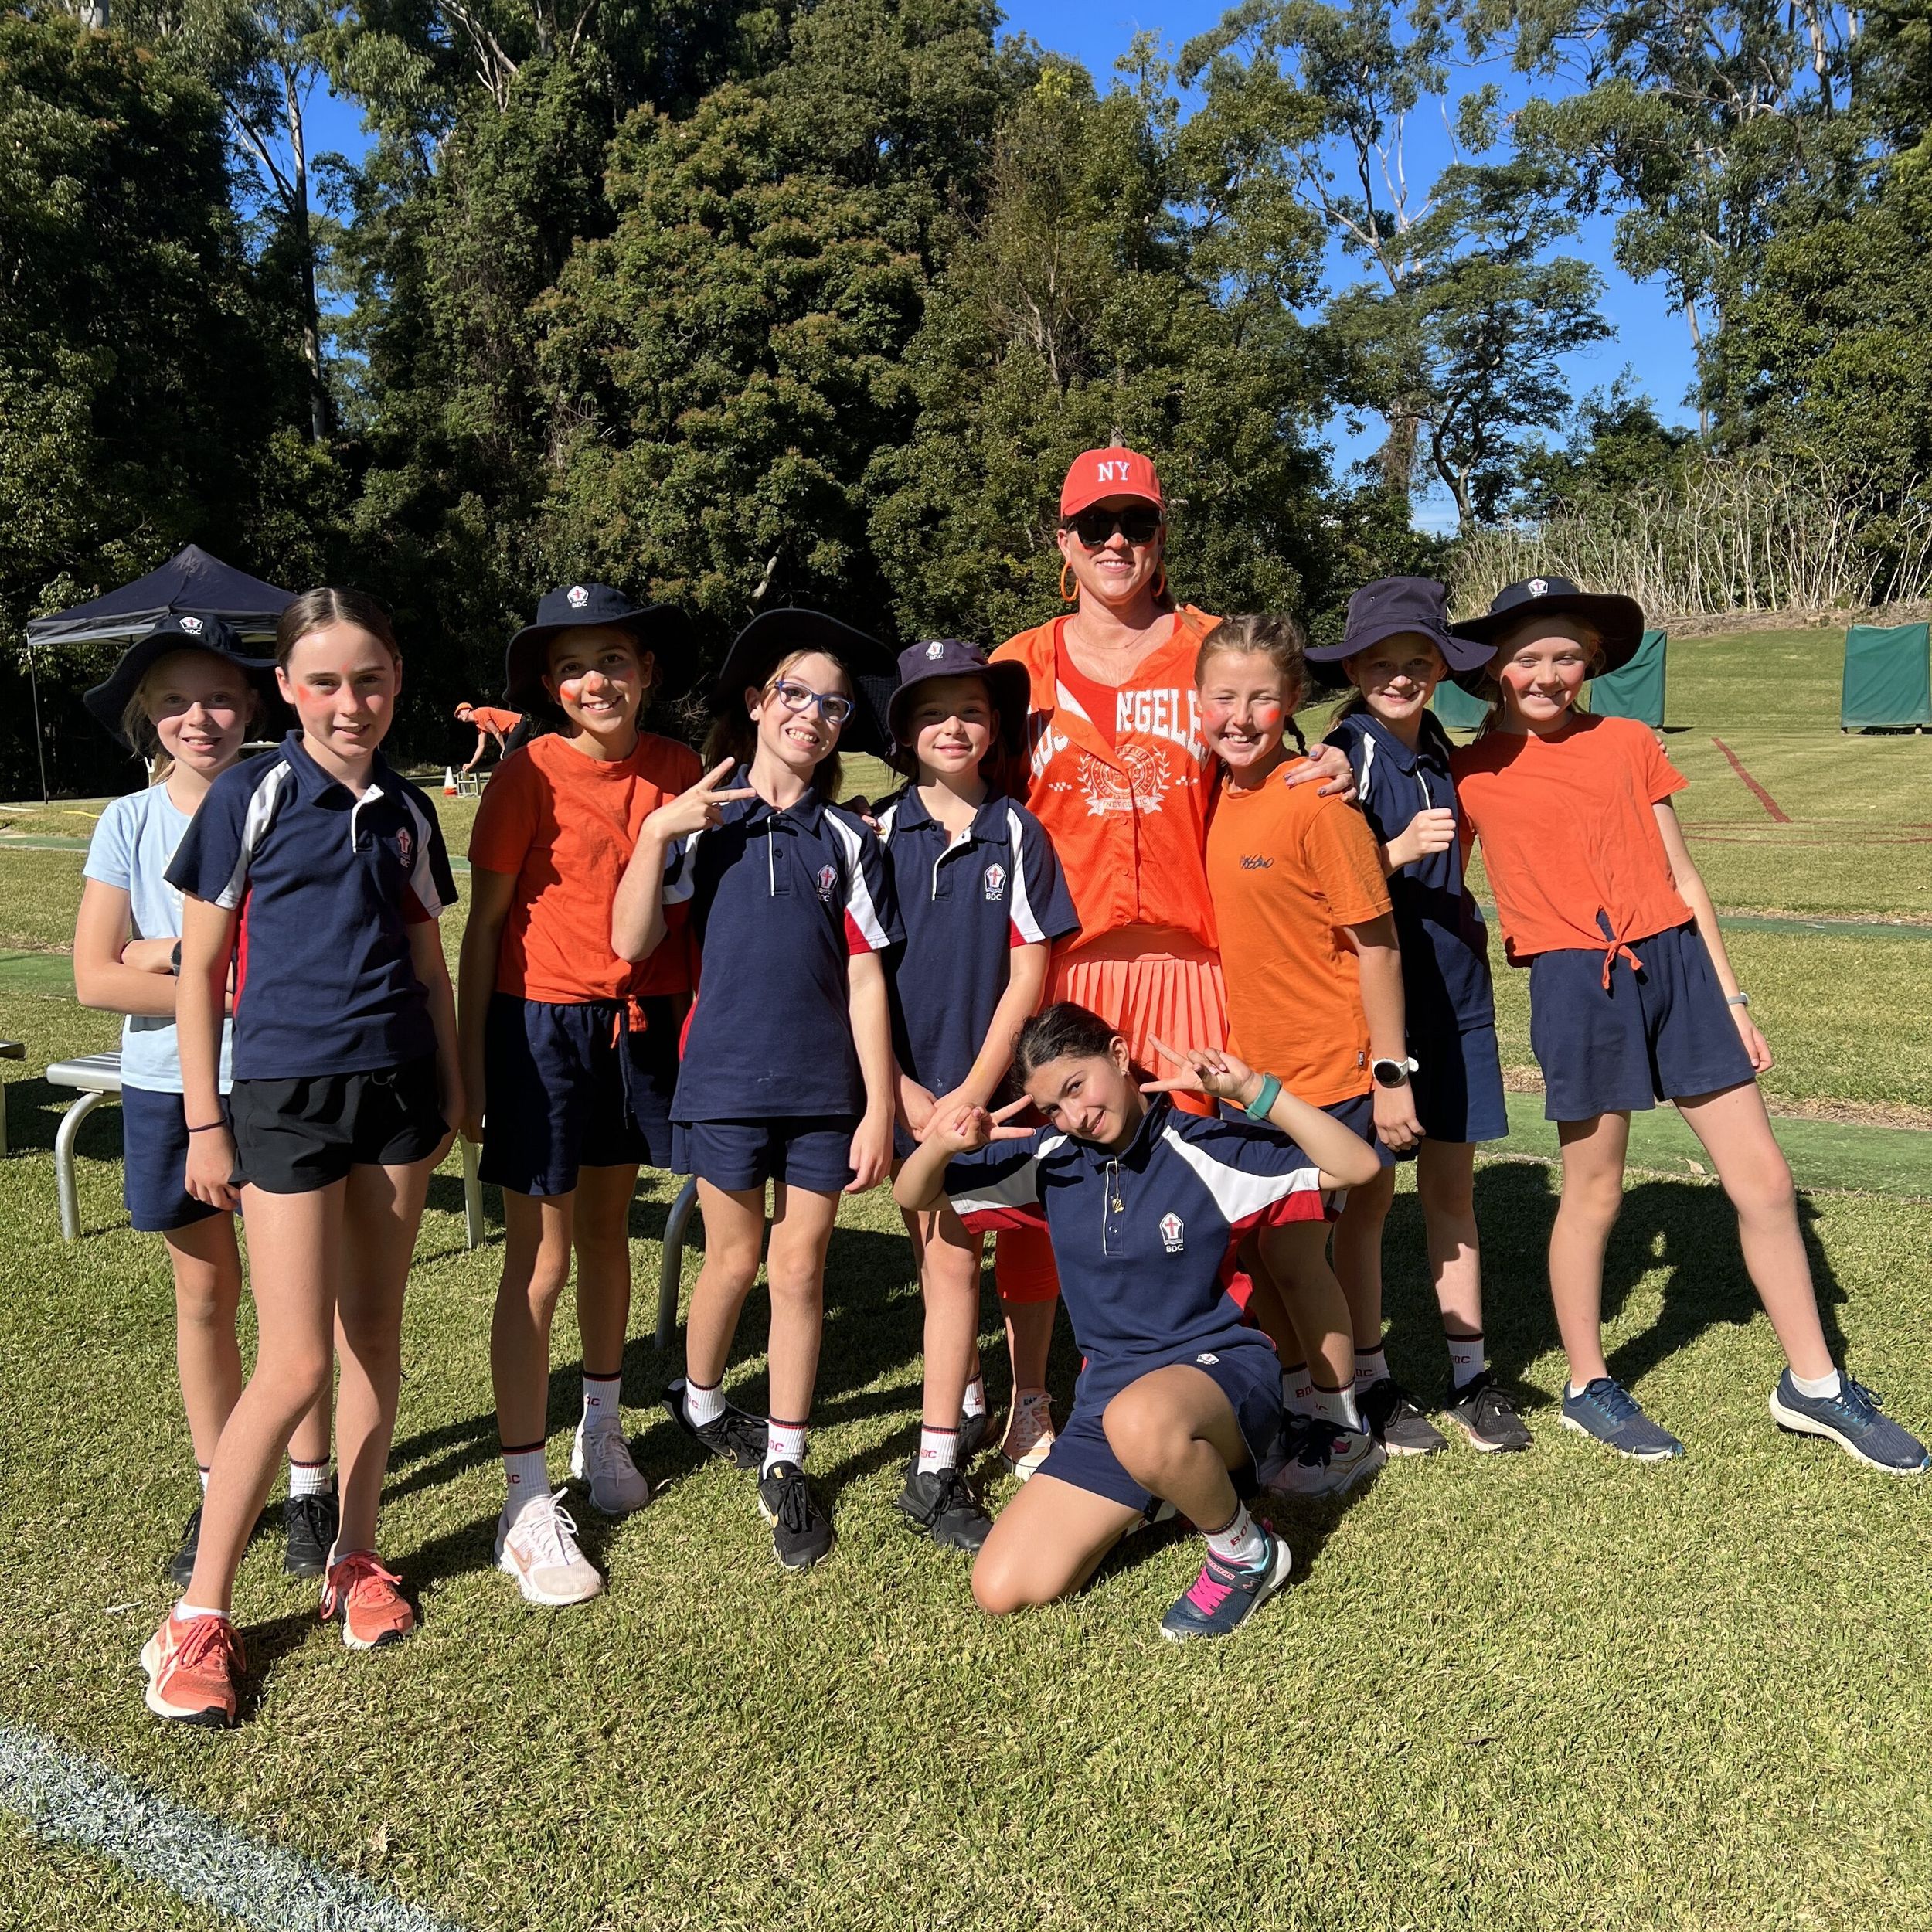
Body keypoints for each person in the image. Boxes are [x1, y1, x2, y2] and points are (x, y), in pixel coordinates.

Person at [1449, 576, 1929, 1471]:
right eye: (1528, 657)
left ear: (1590, 662)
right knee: (1595, 1191)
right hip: (1574, 981)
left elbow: (1683, 878)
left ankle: (1814, 1384)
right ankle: (1587, 1384)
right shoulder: (1469, 772)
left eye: (1565, 656)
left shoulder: (1630, 741)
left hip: (1679, 970)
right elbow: (1424, 879)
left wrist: (1733, 999)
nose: (1547, 674)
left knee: (1767, 1180)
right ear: (1494, 669)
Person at [987, 444, 1352, 1478]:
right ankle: (1029, 1397)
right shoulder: (1020, 665)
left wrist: (1329, 760)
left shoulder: (1206, 646)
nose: (1116, 543)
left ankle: (1236, 1389)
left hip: (1196, 969)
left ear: (1161, 536)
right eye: (1094, 526)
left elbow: (1271, 753)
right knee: (1051, 1188)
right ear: (1062, 541)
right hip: (1068, 974)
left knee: (1213, 1186)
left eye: (1136, 524)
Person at [140, 587, 462, 1727]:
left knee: (374, 1334)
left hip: (400, 1095)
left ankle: (355, 1559)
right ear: (285, 688)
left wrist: (453, 1088)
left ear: (397, 682)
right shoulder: (252, 791)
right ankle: (197, 1615)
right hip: (285, 1101)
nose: (349, 702)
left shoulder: (408, 807)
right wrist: (207, 1123)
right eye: (323, 681)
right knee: (293, 1364)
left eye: (369, 680)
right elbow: (199, 970)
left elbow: (428, 963)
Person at [894, 1004, 1383, 1640]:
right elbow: (913, 1194)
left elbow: (1358, 1166)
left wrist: (1255, 1092)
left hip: (1223, 1377)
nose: (1074, 1116)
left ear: (1120, 1056)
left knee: (1142, 1420)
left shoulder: (1203, 1149)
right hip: (1110, 1405)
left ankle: (1245, 1554)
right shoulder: (1050, 1162)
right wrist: (942, 1144)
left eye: (1077, 1087)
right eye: (1053, 1108)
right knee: (1002, 1585)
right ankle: (1167, 1487)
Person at [611, 609, 901, 1570]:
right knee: (732, 1261)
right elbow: (631, 942)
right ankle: (698, 1399)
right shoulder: (703, 825)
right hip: (725, 1080)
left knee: (801, 1268)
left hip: (824, 1091)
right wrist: (656, 832)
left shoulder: (850, 838)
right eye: (794, 694)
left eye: (833, 705)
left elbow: (866, 978)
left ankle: (787, 1457)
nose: (812, 714)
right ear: (754, 701)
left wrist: (879, 1105)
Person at [73, 614, 336, 1587]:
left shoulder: (290, 800)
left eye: (221, 697)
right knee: (206, 1294)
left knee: (295, 1305)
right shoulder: (128, 822)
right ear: (147, 714)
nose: (200, 718)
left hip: (280, 1082)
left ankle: (308, 1483)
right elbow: (95, 977)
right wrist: (198, 967)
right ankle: (222, 1478)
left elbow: (310, 958)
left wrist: (165, 960)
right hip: (165, 1089)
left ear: (254, 705)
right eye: (176, 701)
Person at [459, 584, 702, 1607]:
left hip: (641, 1026)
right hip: (540, 1027)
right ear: (549, 687)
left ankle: (602, 1427)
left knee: (608, 1235)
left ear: (646, 671)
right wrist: (470, 1062)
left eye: (610, 660)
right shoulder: (526, 774)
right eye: (570, 668)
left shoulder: (682, 767)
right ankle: (524, 1494)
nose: (593, 681)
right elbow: (484, 926)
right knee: (541, 1254)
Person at [1195, 614, 1426, 1493]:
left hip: (1329, 1072)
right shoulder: (1215, 795)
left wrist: (1391, 1076)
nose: (1240, 716)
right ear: (1198, 702)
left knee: (1295, 1255)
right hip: (1249, 1074)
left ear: (1292, 701)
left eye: (1261, 697)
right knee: (1260, 1254)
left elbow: (1379, 947)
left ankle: (1341, 1425)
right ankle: (1298, 1403)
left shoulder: (1318, 803)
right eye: (1223, 696)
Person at [1309, 579, 1532, 1452]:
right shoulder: (1346, 752)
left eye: (1418, 661)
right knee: (1366, 1196)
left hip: (1458, 997)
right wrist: (1394, 852)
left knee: (1451, 1192)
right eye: (1380, 662)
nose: (1399, 677)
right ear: (1353, 669)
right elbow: (1316, 886)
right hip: (1375, 1010)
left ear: (1440, 669)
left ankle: (1471, 1376)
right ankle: (1369, 1380)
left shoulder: (1438, 742)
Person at [877, 639, 1080, 1549]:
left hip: (996, 1095)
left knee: (1020, 1242)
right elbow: (855, 978)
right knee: (943, 1259)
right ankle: (949, 1424)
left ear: (994, 726)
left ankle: (1023, 1400)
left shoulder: (1018, 830)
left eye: (968, 710)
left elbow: (1028, 971)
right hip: (909, 1093)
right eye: (930, 712)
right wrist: (905, 1092)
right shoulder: (876, 833)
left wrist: (970, 1089)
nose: (951, 727)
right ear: (903, 732)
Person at [456, 700, 524, 778]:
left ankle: (516, 779)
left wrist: (504, 750)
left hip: (519, 723)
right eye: (457, 716)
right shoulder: (479, 725)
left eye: (459, 713)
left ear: (467, 709)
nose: (459, 717)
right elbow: (481, 746)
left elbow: (496, 732)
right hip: (517, 727)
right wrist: (472, 764)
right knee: (515, 756)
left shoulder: (480, 713)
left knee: (507, 756)